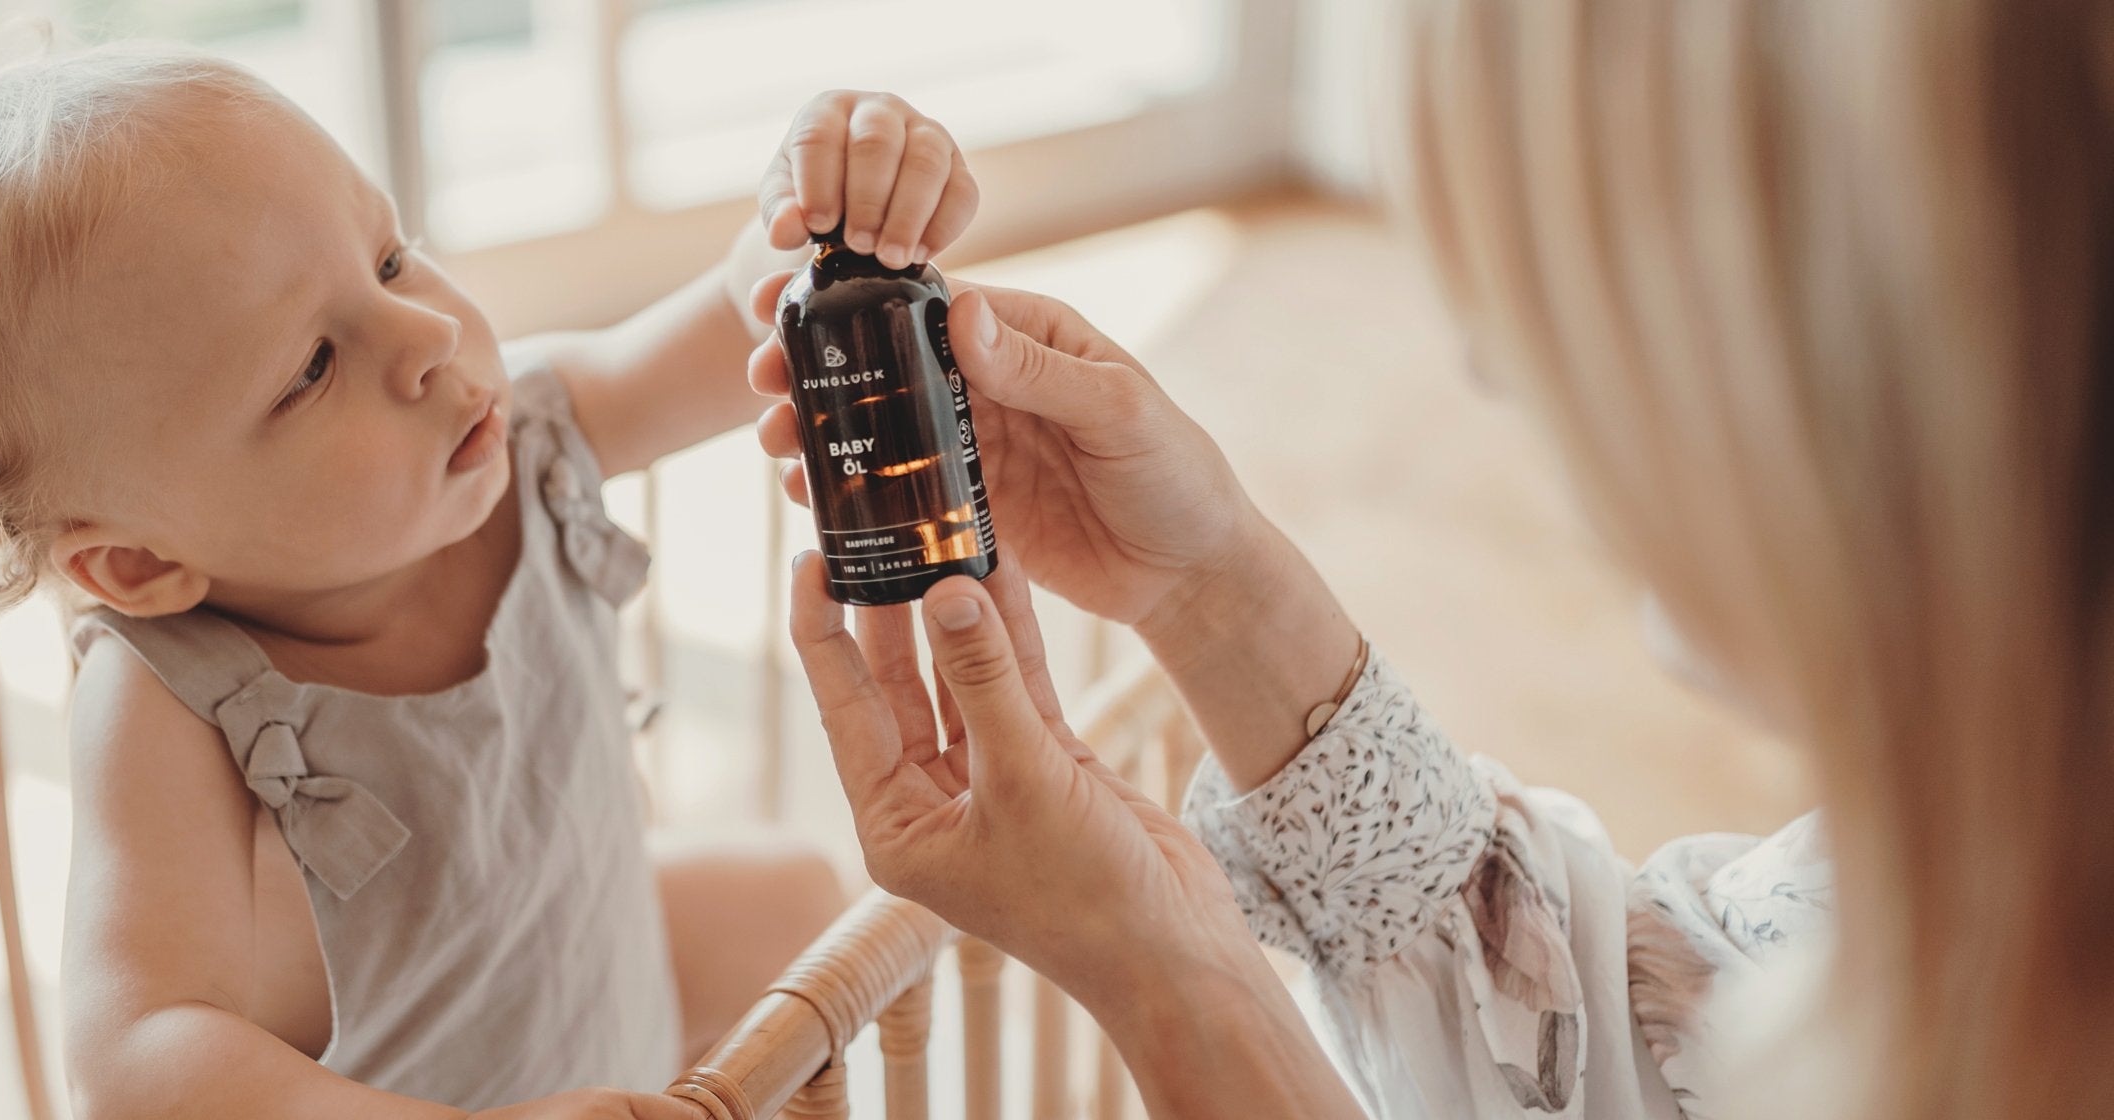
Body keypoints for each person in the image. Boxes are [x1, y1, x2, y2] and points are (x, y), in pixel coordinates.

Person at [753, 2, 2114, 1118]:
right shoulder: (1966, 888)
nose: (1486, 371)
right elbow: (1605, 1046)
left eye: (1567, 297)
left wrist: (1164, 979)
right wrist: (1203, 584)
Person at [0, 42, 980, 1120]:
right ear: (140, 563)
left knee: (791, 891)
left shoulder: (524, 431)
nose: (424, 335)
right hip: (423, 1097)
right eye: (312, 366)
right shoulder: (174, 697)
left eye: (388, 255)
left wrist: (831, 200)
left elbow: (742, 316)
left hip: (596, 981)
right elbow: (140, 1054)